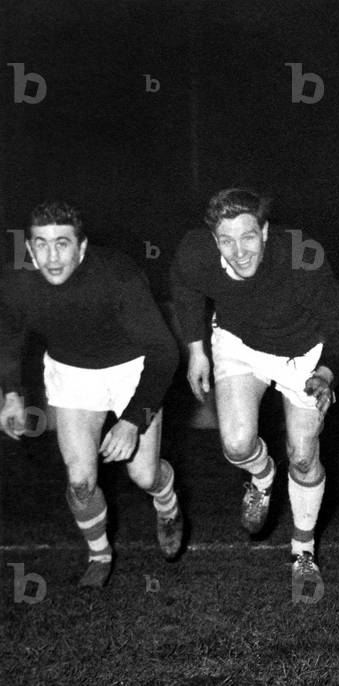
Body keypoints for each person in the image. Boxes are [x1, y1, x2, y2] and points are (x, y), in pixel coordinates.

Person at [170, 188, 339, 591]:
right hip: (240, 344)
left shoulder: (301, 255)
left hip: (303, 354)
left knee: (303, 456)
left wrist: (326, 374)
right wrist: (196, 351)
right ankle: (262, 476)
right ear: (214, 239)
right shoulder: (195, 252)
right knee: (238, 444)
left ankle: (303, 552)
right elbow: (184, 286)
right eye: (226, 240)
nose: (239, 252)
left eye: (248, 237)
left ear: (266, 231)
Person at [0, 201, 183, 588]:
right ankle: (99, 554)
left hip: (132, 369)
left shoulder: (118, 275)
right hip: (72, 373)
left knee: (143, 474)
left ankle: (167, 501)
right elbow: (10, 337)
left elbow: (165, 351)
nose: (52, 257)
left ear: (81, 247)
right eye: (41, 245)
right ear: (29, 248)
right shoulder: (18, 282)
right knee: (80, 481)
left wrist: (132, 420)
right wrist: (11, 393)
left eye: (62, 244)